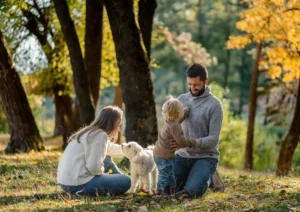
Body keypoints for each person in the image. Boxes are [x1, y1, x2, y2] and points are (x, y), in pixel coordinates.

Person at [171, 63, 225, 198]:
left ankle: (210, 177)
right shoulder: (181, 99)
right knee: (170, 188)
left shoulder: (214, 105)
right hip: (183, 155)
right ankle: (196, 175)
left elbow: (213, 139)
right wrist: (180, 118)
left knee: (193, 191)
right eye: (189, 84)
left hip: (206, 157)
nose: (192, 88)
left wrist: (189, 142)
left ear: (205, 81)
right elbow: (171, 125)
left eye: (196, 85)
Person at [57, 106, 131, 196]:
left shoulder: (91, 132)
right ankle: (125, 182)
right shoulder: (100, 135)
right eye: (118, 125)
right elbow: (94, 168)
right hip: (78, 184)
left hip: (66, 182)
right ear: (111, 123)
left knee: (106, 160)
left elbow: (111, 148)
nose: (119, 130)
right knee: (127, 181)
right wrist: (104, 175)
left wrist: (135, 150)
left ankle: (120, 179)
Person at [153, 96, 197, 195]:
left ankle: (171, 191)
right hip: (164, 156)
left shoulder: (169, 121)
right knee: (164, 175)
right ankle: (160, 193)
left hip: (159, 153)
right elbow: (182, 142)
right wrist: (192, 142)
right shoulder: (175, 126)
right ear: (178, 113)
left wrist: (184, 112)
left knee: (171, 174)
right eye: (181, 109)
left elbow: (177, 119)